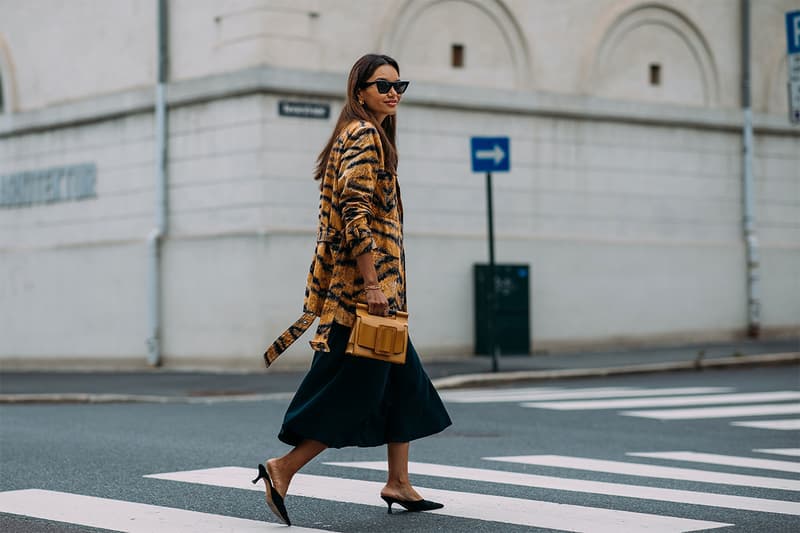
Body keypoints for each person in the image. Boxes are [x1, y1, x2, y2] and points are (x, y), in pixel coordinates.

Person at [254, 54, 452, 526]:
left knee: (405, 386)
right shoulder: (364, 135)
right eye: (381, 85)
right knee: (354, 395)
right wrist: (372, 283)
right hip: (362, 298)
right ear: (358, 90)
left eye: (399, 85)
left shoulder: (364, 135)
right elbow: (353, 211)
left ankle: (398, 481)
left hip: (374, 296)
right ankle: (282, 469)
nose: (392, 93)